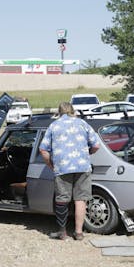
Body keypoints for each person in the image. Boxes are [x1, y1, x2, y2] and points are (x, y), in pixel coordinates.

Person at [38, 102, 100, 241]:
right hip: (82, 167)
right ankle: (78, 233)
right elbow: (96, 145)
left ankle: (62, 232)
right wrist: (86, 155)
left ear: (59, 112)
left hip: (62, 167)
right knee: (80, 200)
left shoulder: (54, 126)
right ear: (73, 110)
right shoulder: (83, 124)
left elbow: (43, 150)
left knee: (62, 201)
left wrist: (50, 165)